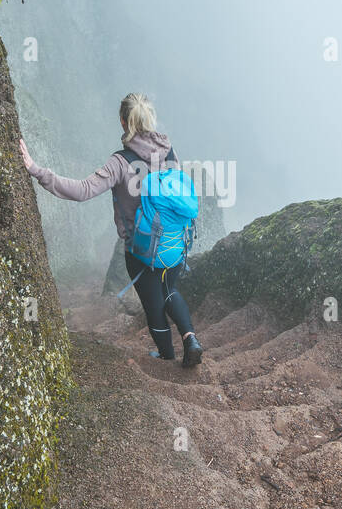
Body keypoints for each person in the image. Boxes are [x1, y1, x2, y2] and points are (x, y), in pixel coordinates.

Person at [19, 93, 204, 367]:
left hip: (141, 249)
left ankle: (168, 359)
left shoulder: (120, 162)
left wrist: (36, 170)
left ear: (122, 122)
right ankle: (191, 339)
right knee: (169, 290)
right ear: (150, 118)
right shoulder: (170, 152)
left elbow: (82, 191)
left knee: (154, 307)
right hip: (175, 244)